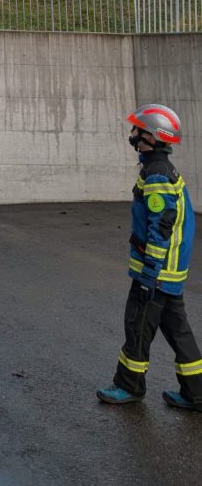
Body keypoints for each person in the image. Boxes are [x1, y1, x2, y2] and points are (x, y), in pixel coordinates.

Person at [97, 103, 202, 411]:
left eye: (138, 129)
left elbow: (161, 228)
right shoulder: (161, 169)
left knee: (138, 326)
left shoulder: (156, 174)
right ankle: (197, 393)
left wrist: (149, 275)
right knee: (179, 332)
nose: (132, 133)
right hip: (170, 274)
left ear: (153, 136)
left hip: (156, 275)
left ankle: (128, 386)